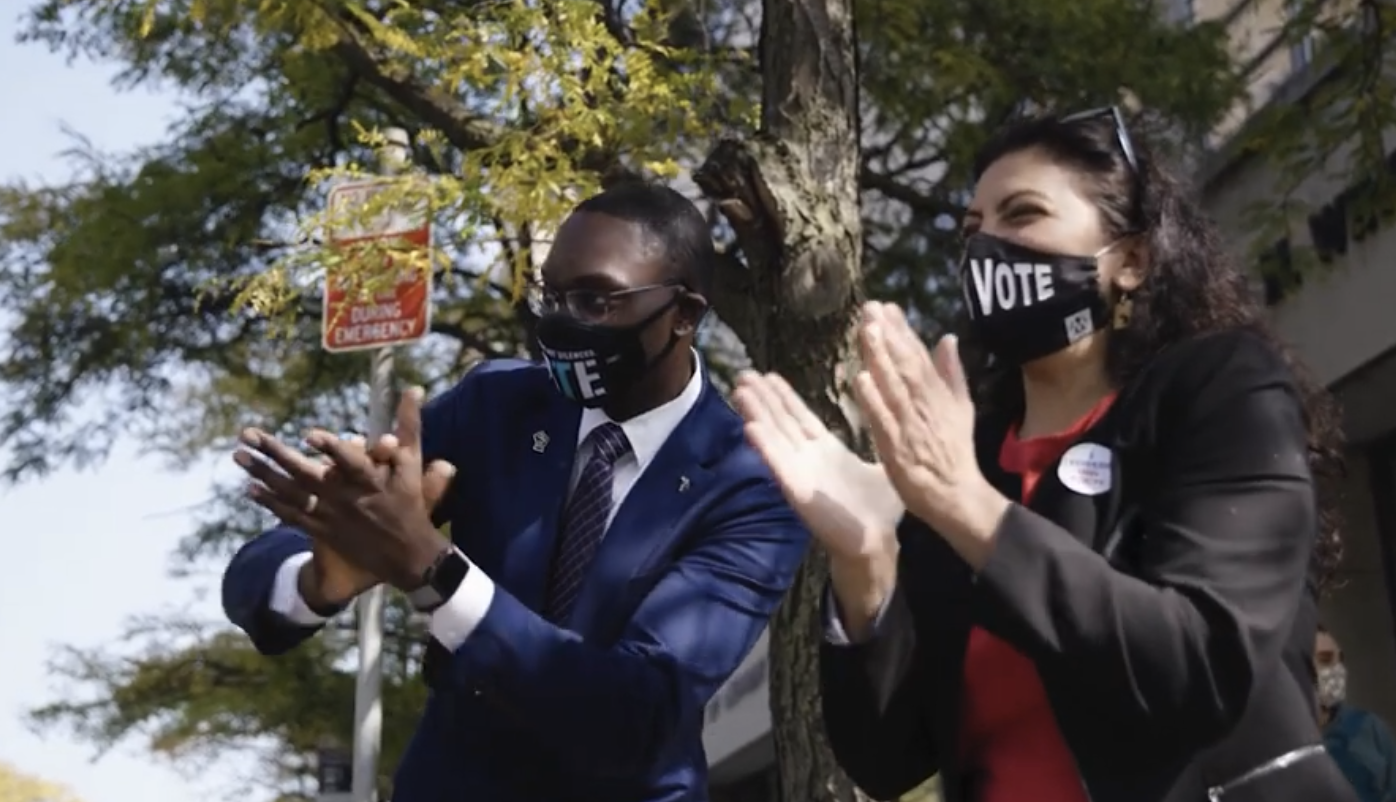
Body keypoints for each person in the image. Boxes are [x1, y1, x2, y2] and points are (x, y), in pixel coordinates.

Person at [731, 106, 1357, 802]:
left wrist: (967, 507)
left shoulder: (1219, 387)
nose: (986, 248)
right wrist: (865, 562)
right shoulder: (968, 454)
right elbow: (887, 762)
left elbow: (1201, 664)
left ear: (1131, 261)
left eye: (1022, 214)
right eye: (971, 230)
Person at [221, 181, 809, 802]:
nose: (562, 321)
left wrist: (432, 570)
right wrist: (320, 580)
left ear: (684, 314)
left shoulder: (753, 482)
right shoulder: (495, 404)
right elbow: (257, 573)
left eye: (595, 300)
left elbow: (638, 709)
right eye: (551, 295)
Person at [1316, 625, 1396, 801]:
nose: (1337, 669)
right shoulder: (1282, 745)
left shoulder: (1368, 728)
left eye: (1340, 660)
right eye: (1325, 659)